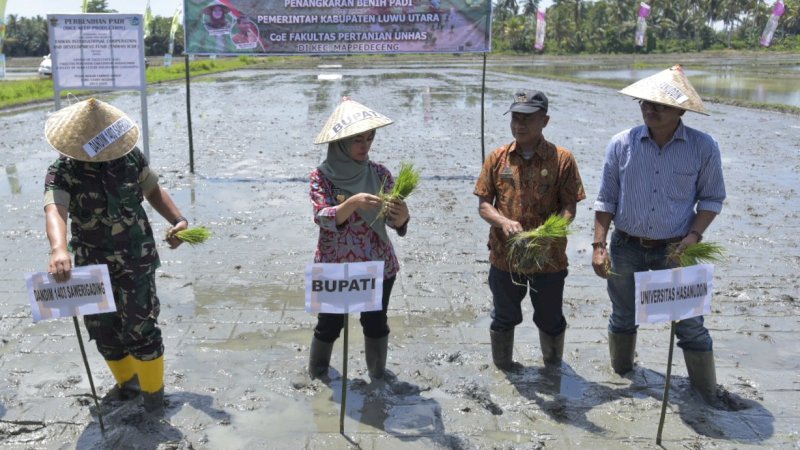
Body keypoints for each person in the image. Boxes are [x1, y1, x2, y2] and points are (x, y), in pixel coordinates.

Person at [43, 98, 189, 415]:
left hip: (137, 256)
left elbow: (153, 190)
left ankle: (153, 400)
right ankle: (128, 385)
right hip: (91, 261)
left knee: (141, 326)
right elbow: (56, 208)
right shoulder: (63, 170)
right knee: (102, 328)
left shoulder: (130, 158)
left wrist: (177, 220)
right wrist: (58, 248)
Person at [591, 65, 726, 406]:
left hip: (676, 249)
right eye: (645, 104)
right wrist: (598, 244)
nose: (649, 110)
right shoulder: (621, 144)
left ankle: (706, 392)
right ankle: (622, 374)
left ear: (680, 110)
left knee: (689, 324)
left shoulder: (703, 147)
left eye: (659, 105)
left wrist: (693, 237)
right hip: (626, 246)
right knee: (623, 315)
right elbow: (606, 199)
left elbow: (711, 199)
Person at [474, 90, 586, 370]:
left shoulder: (562, 159)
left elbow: (570, 207)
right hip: (505, 256)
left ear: (544, 121)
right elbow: (484, 205)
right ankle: (503, 368)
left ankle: (552, 367)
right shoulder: (497, 158)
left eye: (528, 118)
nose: (519, 125)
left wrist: (549, 232)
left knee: (550, 318)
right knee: (504, 316)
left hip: (548, 259)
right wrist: (504, 222)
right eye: (515, 118)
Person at [307, 98, 410, 381]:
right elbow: (322, 216)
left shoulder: (379, 174)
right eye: (356, 140)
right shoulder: (321, 177)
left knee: (375, 323)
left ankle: (377, 375)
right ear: (340, 143)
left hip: (378, 263)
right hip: (335, 264)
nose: (365, 146)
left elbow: (394, 221)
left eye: (369, 138)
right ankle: (317, 375)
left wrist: (401, 217)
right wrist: (350, 204)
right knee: (329, 325)